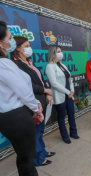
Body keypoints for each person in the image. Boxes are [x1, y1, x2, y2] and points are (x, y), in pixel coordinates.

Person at [0, 21, 49, 176]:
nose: (11, 40)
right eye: (10, 37)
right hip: (17, 116)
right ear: (1, 42)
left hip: (8, 117)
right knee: (27, 156)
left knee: (23, 156)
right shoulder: (4, 64)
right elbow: (23, 90)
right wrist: (36, 108)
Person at [11, 36, 55, 167]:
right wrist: (46, 91)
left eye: (29, 46)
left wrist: (46, 92)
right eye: (26, 46)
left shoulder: (29, 62)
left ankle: (42, 152)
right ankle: (37, 159)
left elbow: (40, 79)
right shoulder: (15, 64)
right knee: (35, 133)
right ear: (18, 48)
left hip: (42, 99)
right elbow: (27, 85)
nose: (29, 49)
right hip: (32, 103)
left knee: (41, 130)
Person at [46, 45, 79, 144]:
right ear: (53, 54)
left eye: (61, 51)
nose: (61, 53)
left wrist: (72, 91)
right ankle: (65, 136)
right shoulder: (49, 66)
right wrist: (68, 92)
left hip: (69, 95)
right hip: (60, 96)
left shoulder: (63, 65)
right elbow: (54, 83)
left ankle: (73, 132)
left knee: (71, 114)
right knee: (61, 117)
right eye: (58, 51)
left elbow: (70, 78)